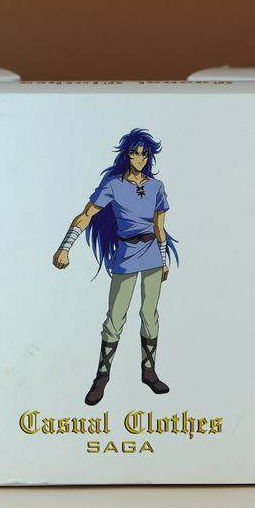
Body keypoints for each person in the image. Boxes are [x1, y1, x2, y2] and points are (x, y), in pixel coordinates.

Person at [52, 128, 178, 405]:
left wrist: (164, 260)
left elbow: (160, 228)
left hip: (152, 255)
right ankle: (102, 377)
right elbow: (87, 215)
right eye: (135, 153)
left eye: (144, 154)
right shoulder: (113, 184)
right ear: (126, 155)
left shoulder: (156, 187)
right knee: (115, 317)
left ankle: (149, 372)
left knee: (149, 314)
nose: (140, 158)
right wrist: (65, 247)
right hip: (126, 253)